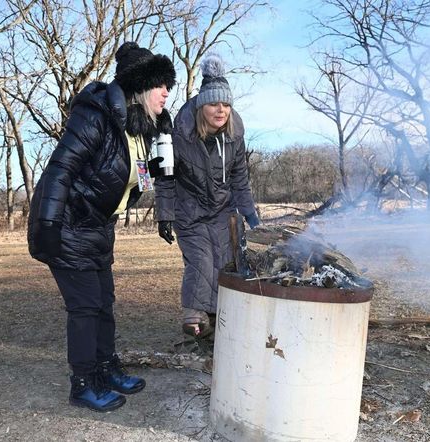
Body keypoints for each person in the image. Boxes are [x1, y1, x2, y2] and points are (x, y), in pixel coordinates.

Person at [27, 42, 175, 412]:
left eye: (168, 85)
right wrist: (47, 222)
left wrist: (159, 172)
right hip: (66, 223)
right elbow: (61, 168)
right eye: (160, 84)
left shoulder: (142, 129)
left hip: (98, 228)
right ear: (139, 87)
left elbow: (140, 179)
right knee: (86, 307)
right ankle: (83, 382)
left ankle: (106, 369)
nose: (166, 92)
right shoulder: (96, 116)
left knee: (104, 304)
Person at [154, 54, 259, 343]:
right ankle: (194, 314)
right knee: (201, 259)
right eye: (214, 104)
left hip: (222, 210)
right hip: (189, 209)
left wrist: (249, 212)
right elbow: (164, 177)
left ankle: (215, 321)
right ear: (202, 106)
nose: (221, 110)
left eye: (226, 104)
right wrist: (164, 215)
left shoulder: (235, 133)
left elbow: (240, 176)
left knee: (224, 261)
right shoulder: (177, 133)